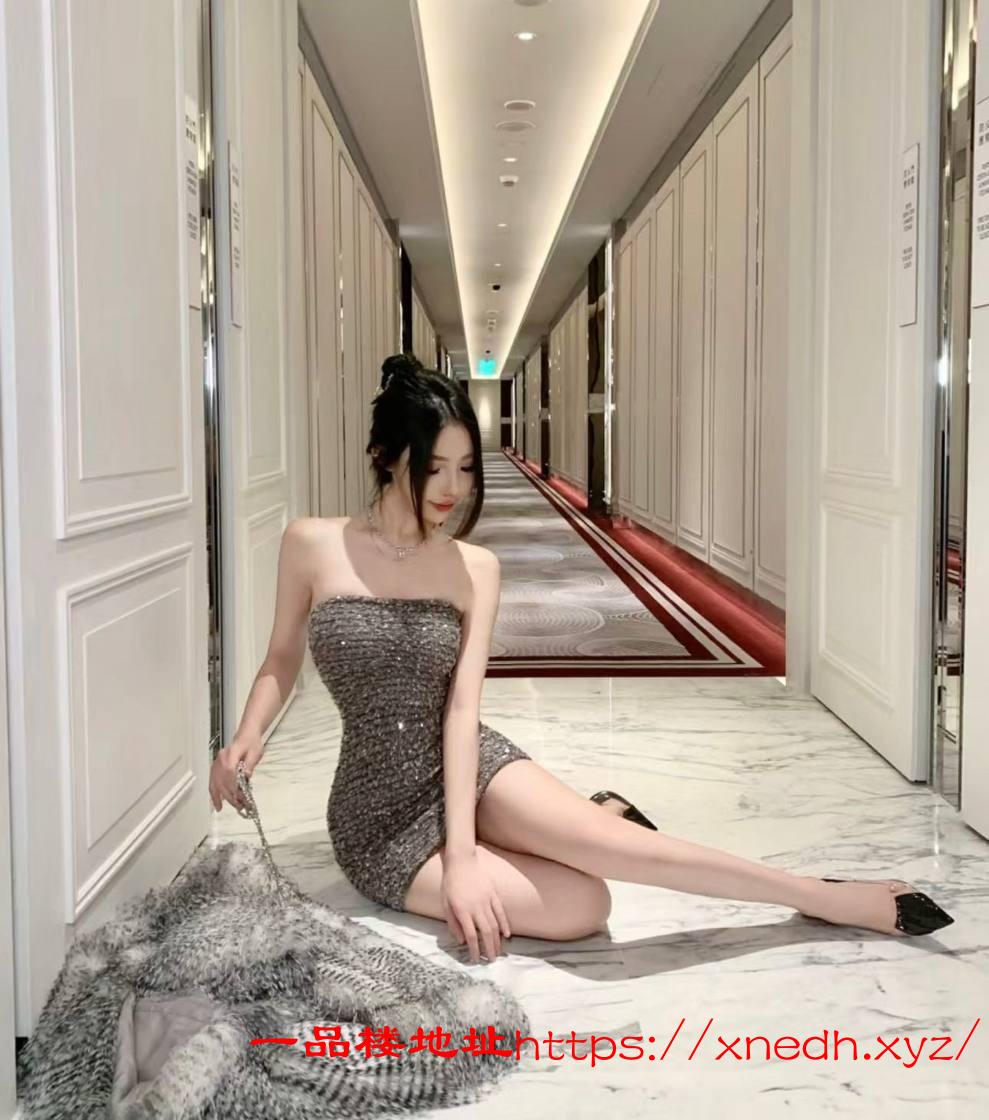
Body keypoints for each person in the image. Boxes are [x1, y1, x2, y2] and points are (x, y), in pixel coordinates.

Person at [209, 353, 953, 965]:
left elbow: (462, 712)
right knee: (582, 907)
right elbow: (280, 658)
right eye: (433, 468)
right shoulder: (311, 544)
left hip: (469, 764)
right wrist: (246, 735)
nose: (453, 490)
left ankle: (820, 895)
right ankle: (582, 818)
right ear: (384, 457)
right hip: (376, 814)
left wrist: (463, 856)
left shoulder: (474, 567)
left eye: (466, 468)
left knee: (616, 850)